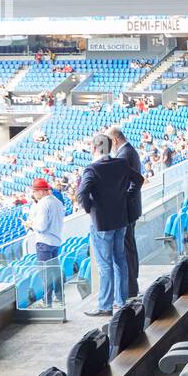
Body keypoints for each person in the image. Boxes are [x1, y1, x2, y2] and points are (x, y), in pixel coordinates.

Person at [77, 133, 142, 317]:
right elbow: (139, 180)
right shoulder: (120, 164)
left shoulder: (92, 169)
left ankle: (105, 305)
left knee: (105, 265)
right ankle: (121, 302)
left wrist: (90, 209)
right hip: (121, 220)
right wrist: (127, 197)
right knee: (120, 260)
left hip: (103, 224)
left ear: (94, 147)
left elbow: (82, 193)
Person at [108, 128, 144, 297]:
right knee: (130, 246)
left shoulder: (124, 154)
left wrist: (125, 198)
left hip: (128, 208)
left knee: (127, 248)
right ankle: (132, 283)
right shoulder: (129, 151)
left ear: (114, 140)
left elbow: (132, 182)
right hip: (132, 207)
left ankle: (130, 287)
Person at [26, 178, 65, 307]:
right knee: (54, 270)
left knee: (45, 272)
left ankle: (47, 301)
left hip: (44, 242)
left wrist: (30, 224)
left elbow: (41, 226)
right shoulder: (58, 202)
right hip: (56, 241)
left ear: (41, 192)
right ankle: (60, 296)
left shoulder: (43, 203)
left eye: (35, 191)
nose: (34, 194)